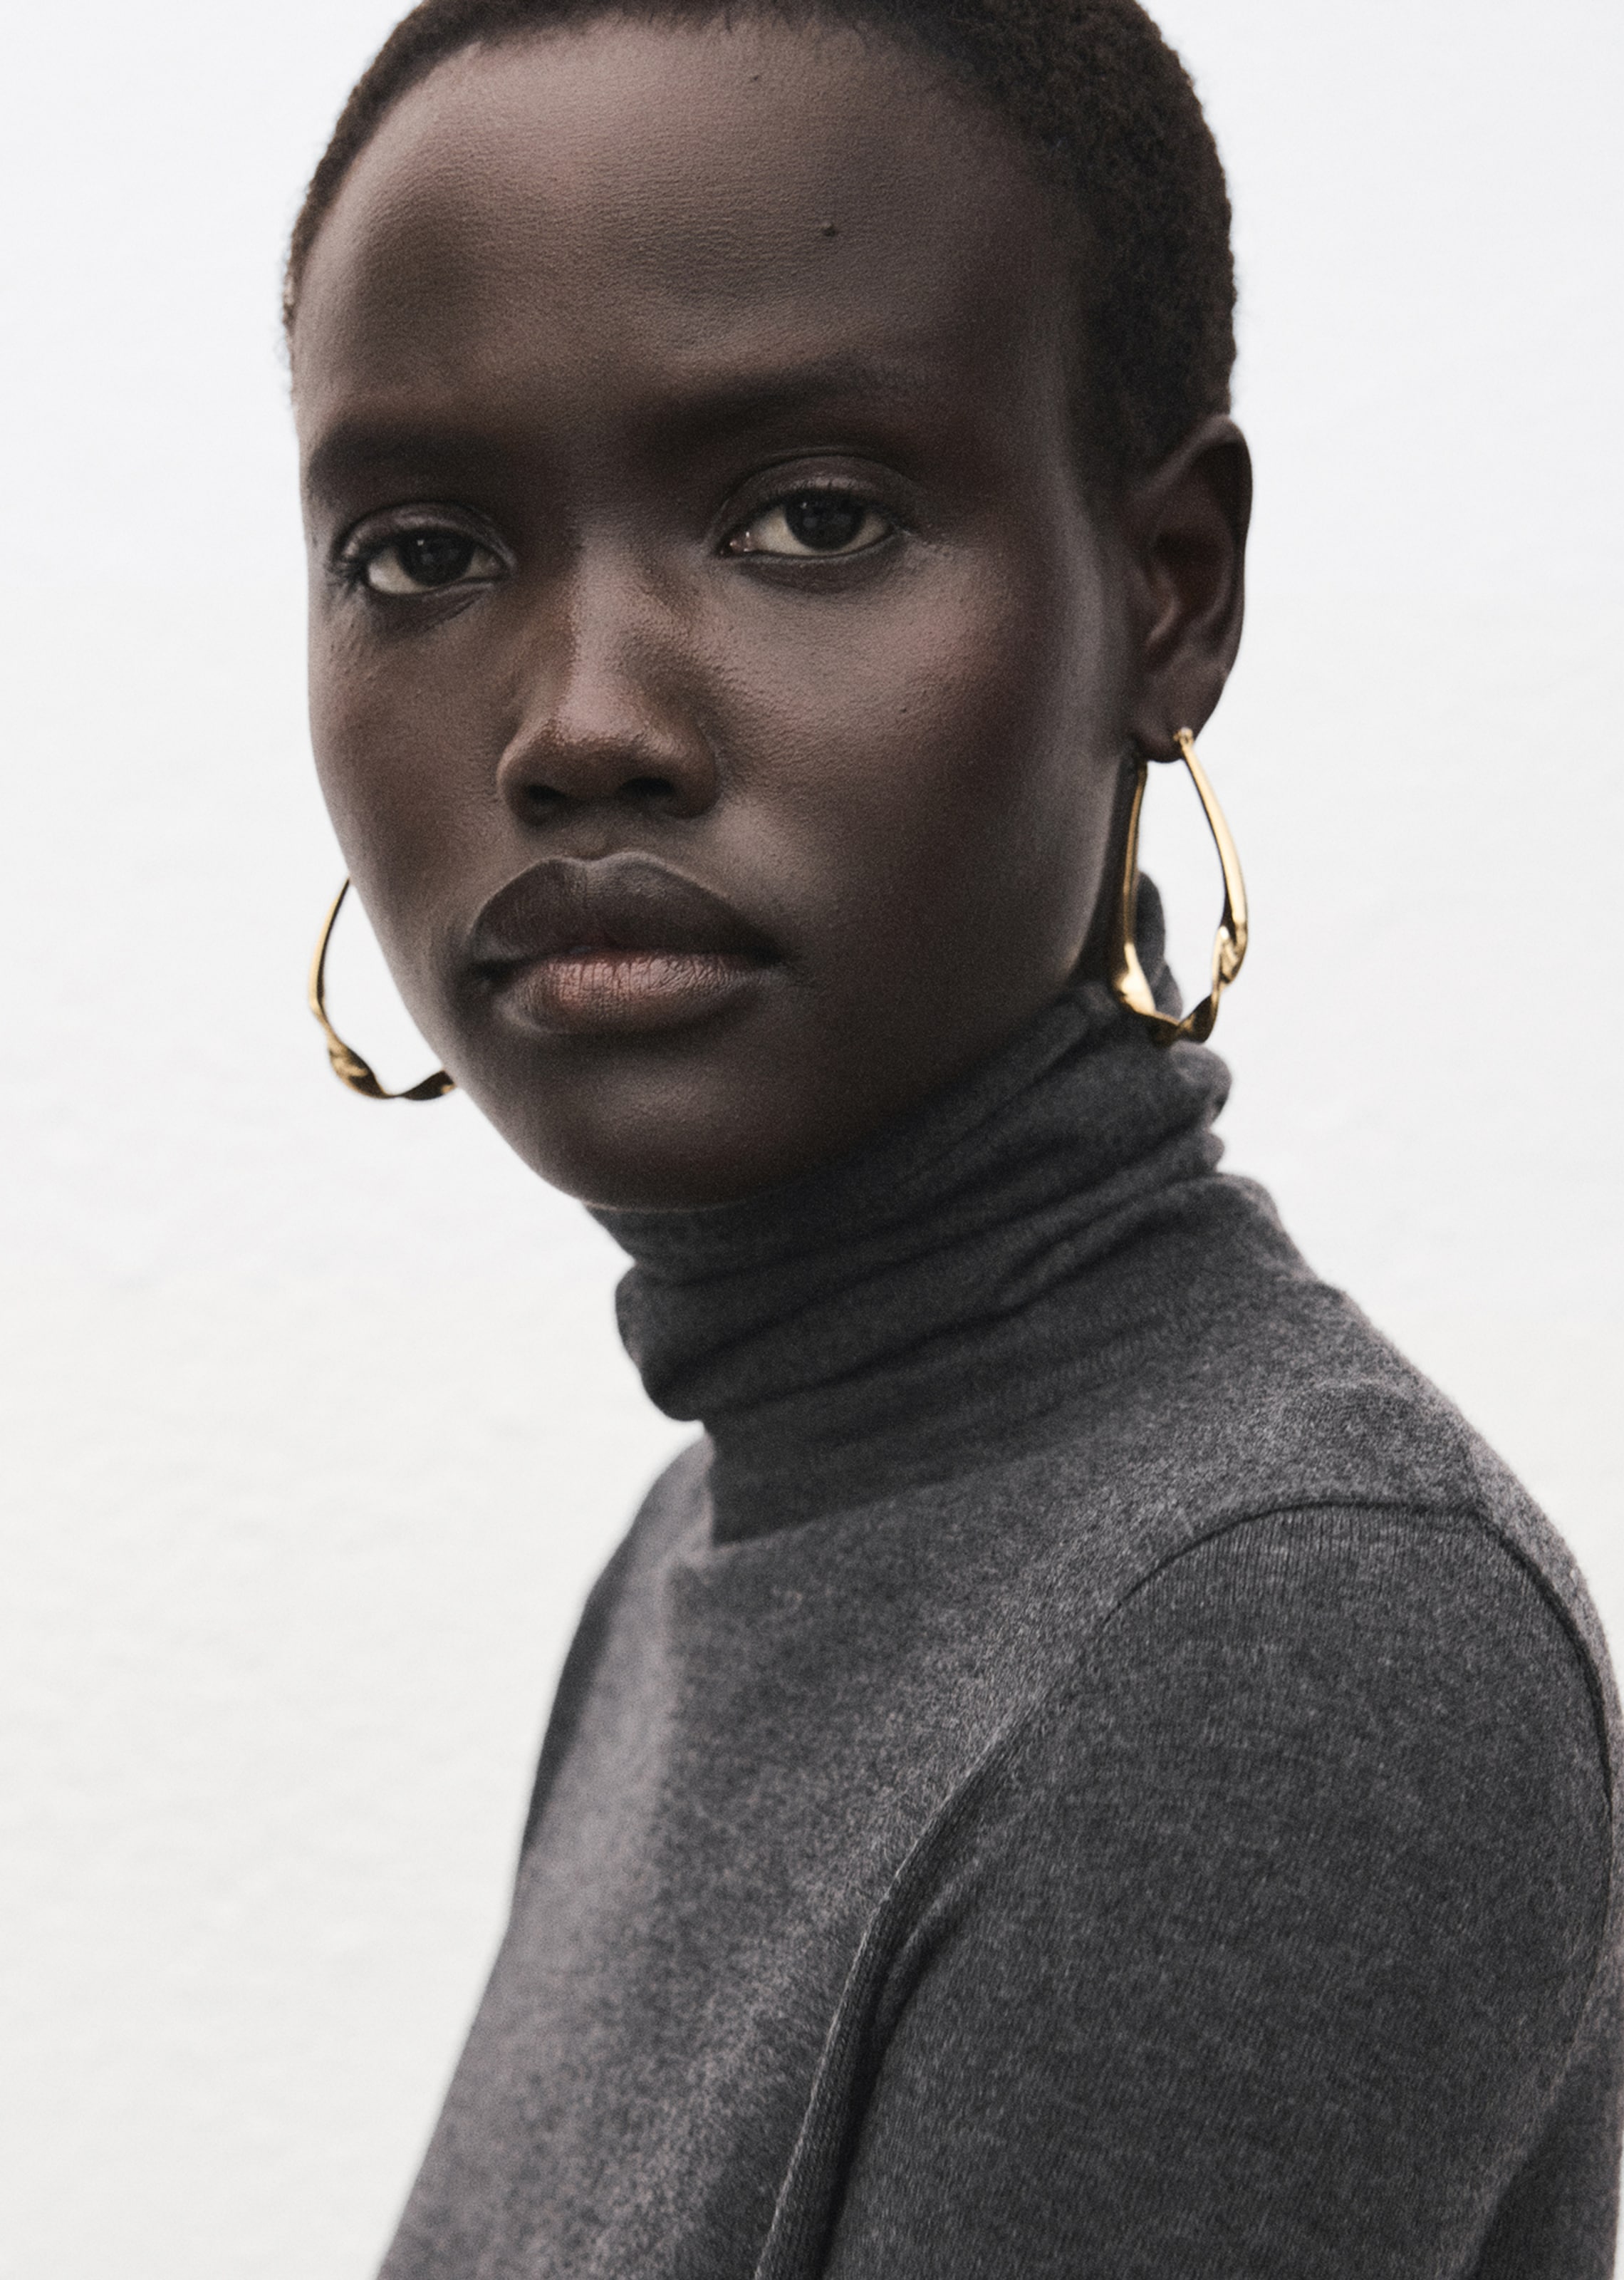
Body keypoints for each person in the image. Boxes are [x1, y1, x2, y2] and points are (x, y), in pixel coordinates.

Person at [285, 1, 1622, 2272]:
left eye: (810, 518)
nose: (580, 724)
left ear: (1168, 593)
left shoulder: (1279, 1639)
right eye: (423, 555)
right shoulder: (722, 1528)